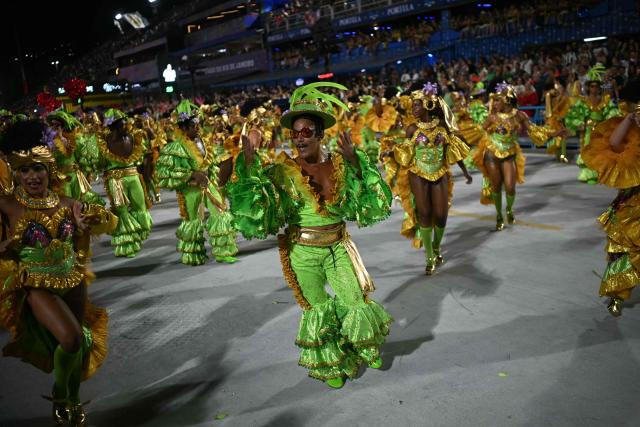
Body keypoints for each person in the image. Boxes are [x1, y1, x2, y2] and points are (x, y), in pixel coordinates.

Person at [227, 82, 393, 389]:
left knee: (353, 300)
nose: (299, 138)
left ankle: (362, 345)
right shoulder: (282, 171)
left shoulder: (339, 164)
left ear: (320, 135)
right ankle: (331, 364)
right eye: (295, 133)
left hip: (338, 246)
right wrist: (249, 163)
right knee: (318, 309)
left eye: (306, 132)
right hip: (302, 253)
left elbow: (370, 200)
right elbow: (255, 201)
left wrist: (355, 162)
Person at [0, 119, 117, 426]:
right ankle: (60, 392)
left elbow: (104, 222)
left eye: (38, 168)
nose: (32, 176)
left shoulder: (69, 203)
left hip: (72, 280)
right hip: (36, 284)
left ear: (50, 169)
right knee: (71, 338)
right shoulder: (7, 206)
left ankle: (74, 400)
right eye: (24, 170)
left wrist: (86, 222)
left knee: (79, 343)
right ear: (15, 172)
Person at [382, 83, 472, 274]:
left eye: (416, 105)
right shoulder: (411, 129)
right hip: (418, 174)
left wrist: (464, 171)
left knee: (441, 215)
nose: (413, 109)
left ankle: (437, 245)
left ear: (428, 105)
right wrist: (390, 154)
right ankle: (429, 256)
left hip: (439, 173)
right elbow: (405, 153)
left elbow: (452, 151)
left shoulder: (442, 127)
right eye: (413, 105)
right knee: (424, 213)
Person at [581, 81, 640, 316]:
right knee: (620, 249)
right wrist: (629, 119)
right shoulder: (629, 129)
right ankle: (616, 293)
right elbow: (614, 145)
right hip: (632, 202)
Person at [156, 100, 238, 265]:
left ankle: (223, 252)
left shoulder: (204, 141)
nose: (198, 128)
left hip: (209, 185)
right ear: (184, 128)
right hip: (190, 190)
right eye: (194, 126)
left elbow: (212, 162)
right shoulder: (176, 147)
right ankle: (193, 254)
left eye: (198, 124)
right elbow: (165, 174)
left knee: (220, 213)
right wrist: (191, 174)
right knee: (193, 221)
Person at [473, 82, 556, 230]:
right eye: (495, 100)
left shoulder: (519, 115)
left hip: (510, 153)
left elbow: (534, 131)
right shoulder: (492, 117)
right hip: (492, 153)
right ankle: (499, 215)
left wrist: (551, 132)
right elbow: (479, 131)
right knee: (497, 186)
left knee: (510, 187)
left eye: (498, 99)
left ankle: (509, 209)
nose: (494, 103)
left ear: (507, 99)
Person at [82, 109, 153, 257]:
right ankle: (127, 246)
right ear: (113, 126)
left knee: (140, 206)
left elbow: (142, 156)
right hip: (115, 180)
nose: (125, 126)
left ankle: (137, 235)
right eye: (121, 124)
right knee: (121, 211)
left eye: (125, 123)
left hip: (133, 176)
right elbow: (96, 164)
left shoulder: (134, 137)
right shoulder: (102, 142)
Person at [565, 65, 622, 184]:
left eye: (597, 85)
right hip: (588, 132)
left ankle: (601, 173)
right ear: (588, 87)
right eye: (592, 86)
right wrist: (580, 123)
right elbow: (573, 115)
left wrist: (610, 119)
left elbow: (612, 112)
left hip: (601, 131)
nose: (594, 88)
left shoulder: (605, 100)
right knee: (588, 151)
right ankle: (589, 174)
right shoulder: (583, 101)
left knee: (602, 152)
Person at [45, 110, 104, 205]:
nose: (54, 127)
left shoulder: (73, 140)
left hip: (75, 177)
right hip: (60, 179)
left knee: (78, 202)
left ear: (63, 127)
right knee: (65, 203)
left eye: (57, 125)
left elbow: (83, 158)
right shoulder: (49, 142)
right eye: (52, 125)